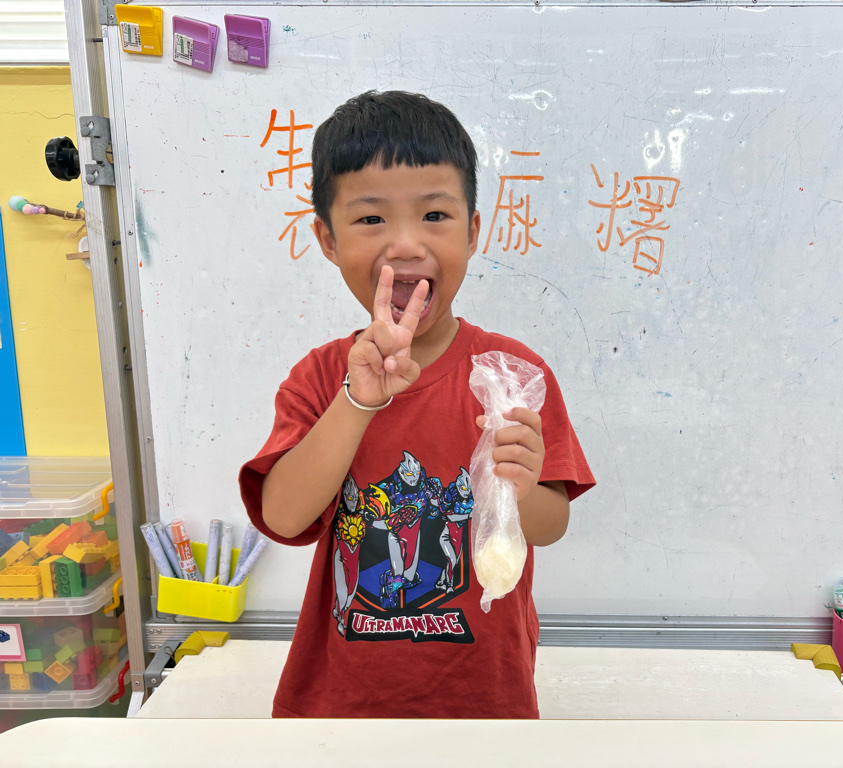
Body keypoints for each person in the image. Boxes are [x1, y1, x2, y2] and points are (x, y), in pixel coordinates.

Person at [239, 91, 595, 719]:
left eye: (434, 215)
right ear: (326, 239)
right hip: (340, 709)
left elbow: (550, 526)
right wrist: (358, 400)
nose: (405, 244)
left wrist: (523, 483)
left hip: (483, 702)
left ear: (473, 231)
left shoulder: (509, 375)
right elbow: (284, 516)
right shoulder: (320, 378)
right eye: (370, 219)